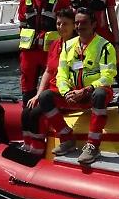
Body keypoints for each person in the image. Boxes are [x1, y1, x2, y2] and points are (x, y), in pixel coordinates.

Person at [55, 7, 118, 165]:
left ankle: (93, 145)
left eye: (83, 23)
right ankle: (67, 138)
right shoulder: (68, 46)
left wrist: (87, 90)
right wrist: (66, 92)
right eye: (76, 23)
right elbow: (61, 74)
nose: (79, 26)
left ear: (93, 24)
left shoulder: (105, 46)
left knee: (100, 94)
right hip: (74, 94)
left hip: (93, 94)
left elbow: (108, 76)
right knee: (45, 98)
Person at [19, 8, 77, 155]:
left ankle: (38, 150)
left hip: (65, 93)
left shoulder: (78, 46)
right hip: (51, 92)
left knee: (37, 114)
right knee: (27, 111)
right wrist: (37, 94)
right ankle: (28, 146)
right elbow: (48, 71)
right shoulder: (55, 45)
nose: (61, 27)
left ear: (74, 25)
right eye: (58, 24)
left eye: (65, 24)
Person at [17, 0, 64, 105]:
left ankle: (52, 119)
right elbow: (22, 23)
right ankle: (29, 119)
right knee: (27, 89)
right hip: (28, 54)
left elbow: (67, 28)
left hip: (50, 53)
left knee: (50, 89)